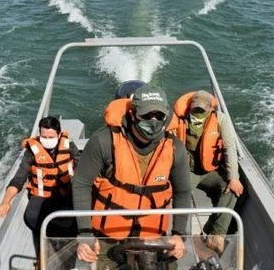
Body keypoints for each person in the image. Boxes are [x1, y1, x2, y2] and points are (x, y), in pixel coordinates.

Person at [72, 85, 192, 269]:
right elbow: (81, 184)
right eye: (146, 115)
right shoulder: (103, 141)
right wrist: (85, 234)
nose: (153, 121)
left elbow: (183, 191)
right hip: (107, 238)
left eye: (159, 116)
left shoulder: (175, 148)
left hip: (153, 237)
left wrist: (179, 235)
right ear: (133, 113)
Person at [167, 90, 244, 255]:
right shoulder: (179, 120)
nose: (198, 113)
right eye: (195, 109)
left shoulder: (220, 120)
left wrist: (234, 178)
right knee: (181, 194)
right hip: (186, 171)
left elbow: (230, 148)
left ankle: (215, 235)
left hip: (211, 170)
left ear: (210, 109)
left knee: (231, 190)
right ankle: (180, 238)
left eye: (202, 110)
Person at [0, 116, 79, 262]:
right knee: (31, 217)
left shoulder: (69, 146)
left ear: (59, 134)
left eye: (51, 137)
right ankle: (44, 249)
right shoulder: (31, 152)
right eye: (43, 136)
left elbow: (83, 166)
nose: (47, 140)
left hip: (66, 193)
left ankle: (69, 246)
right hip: (41, 195)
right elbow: (18, 179)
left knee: (78, 219)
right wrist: (6, 202)